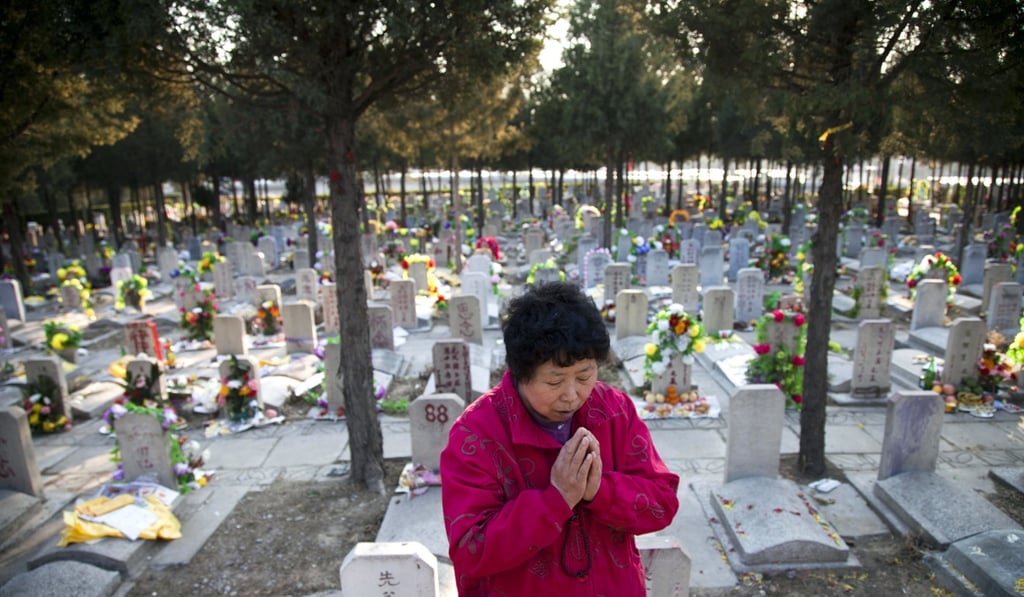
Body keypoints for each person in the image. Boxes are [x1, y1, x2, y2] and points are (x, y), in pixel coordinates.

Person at [440, 281, 680, 596]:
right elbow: (471, 550)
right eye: (554, 380)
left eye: (584, 376)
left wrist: (599, 490)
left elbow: (662, 503)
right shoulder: (476, 434)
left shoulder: (614, 411)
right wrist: (556, 499)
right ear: (520, 373)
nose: (572, 395)